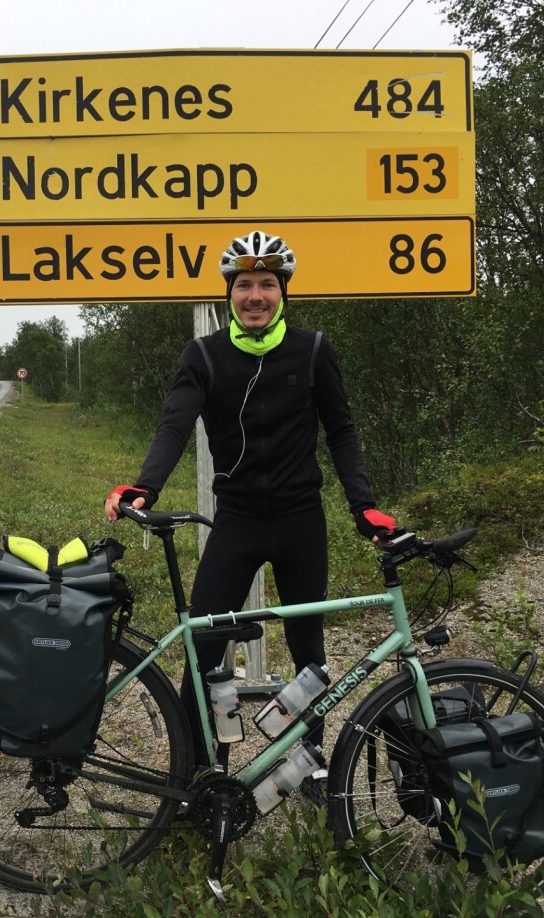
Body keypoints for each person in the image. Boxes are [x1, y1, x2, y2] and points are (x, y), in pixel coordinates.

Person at [104, 229, 396, 790]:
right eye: (244, 285)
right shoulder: (205, 356)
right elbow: (174, 423)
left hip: (299, 521)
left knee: (310, 651)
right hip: (236, 522)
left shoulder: (312, 350)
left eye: (267, 284)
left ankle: (306, 766)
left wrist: (365, 507)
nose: (255, 296)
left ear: (283, 291)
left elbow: (342, 431)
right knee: (203, 648)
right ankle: (194, 776)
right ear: (229, 293)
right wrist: (146, 486)